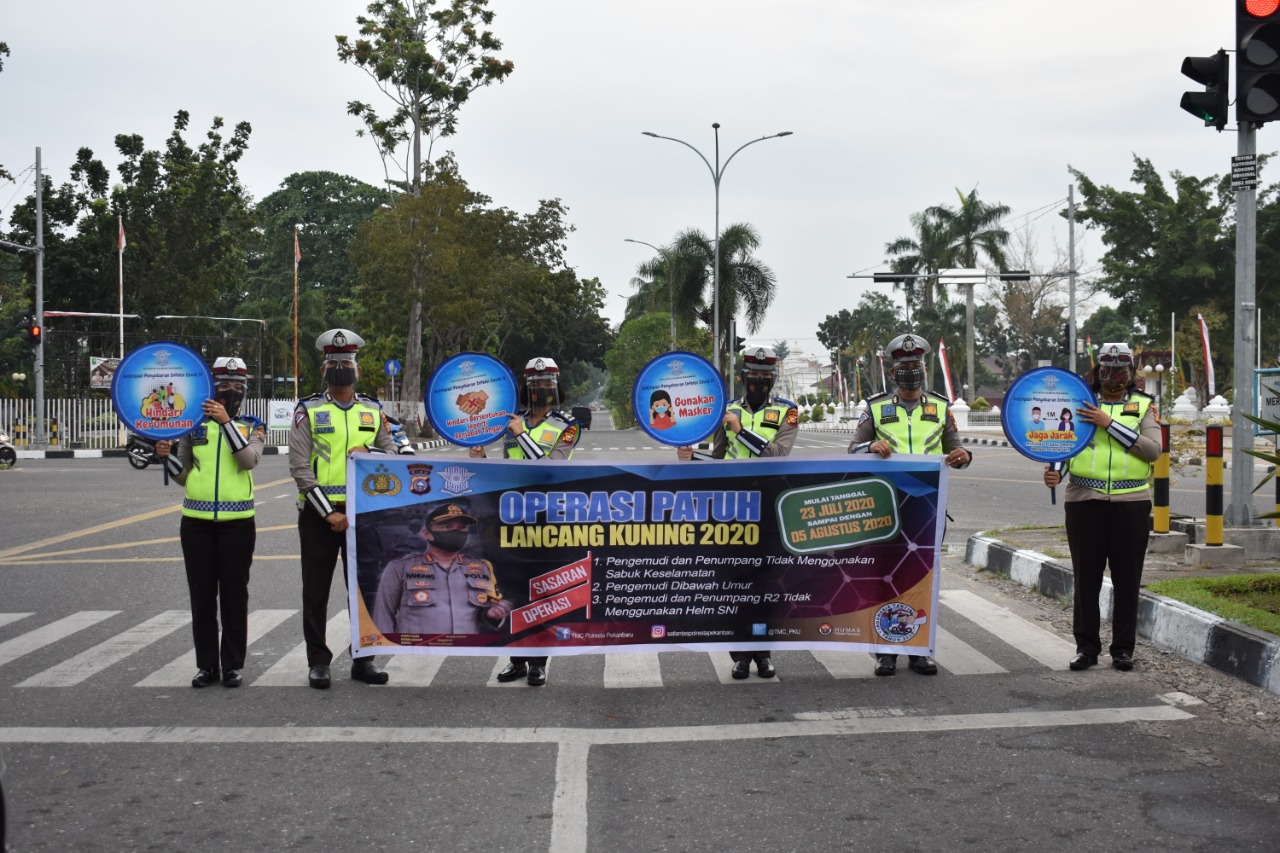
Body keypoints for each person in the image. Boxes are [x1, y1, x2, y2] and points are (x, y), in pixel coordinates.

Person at [848, 333, 972, 676]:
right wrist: (870, 447)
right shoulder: (874, 408)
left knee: (922, 578)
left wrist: (964, 455)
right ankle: (886, 651)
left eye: (915, 366)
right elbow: (852, 449)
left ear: (924, 369)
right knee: (886, 576)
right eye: (904, 367)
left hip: (928, 505)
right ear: (893, 372)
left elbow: (957, 450)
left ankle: (919, 650)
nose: (910, 372)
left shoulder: (940, 407)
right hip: (885, 506)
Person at [290, 328, 406, 689]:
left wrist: (369, 454)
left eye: (348, 362)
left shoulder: (373, 410)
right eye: (334, 361)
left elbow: (396, 454)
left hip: (364, 513)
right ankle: (318, 662)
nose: (341, 367)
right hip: (318, 514)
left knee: (363, 588)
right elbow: (299, 467)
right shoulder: (308, 409)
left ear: (357, 368)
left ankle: (364, 660)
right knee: (316, 590)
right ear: (325, 368)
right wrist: (328, 512)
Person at [677, 346, 798, 680]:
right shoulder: (725, 409)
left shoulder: (788, 412)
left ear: (772, 378)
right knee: (734, 583)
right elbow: (717, 461)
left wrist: (741, 431)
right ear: (743, 376)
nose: (759, 380)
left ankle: (764, 654)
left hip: (770, 508)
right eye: (753, 374)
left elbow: (778, 454)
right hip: (732, 511)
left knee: (765, 584)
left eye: (765, 375)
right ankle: (741, 656)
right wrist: (691, 458)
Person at [1043, 342, 1159, 672]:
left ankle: (1122, 649)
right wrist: (1055, 472)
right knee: (1086, 578)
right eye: (1107, 369)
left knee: (1127, 579)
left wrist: (1109, 423)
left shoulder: (1144, 406)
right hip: (1084, 501)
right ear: (1097, 371)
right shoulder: (1079, 404)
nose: (1113, 375)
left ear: (1131, 373)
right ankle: (1086, 648)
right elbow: (1064, 446)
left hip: (1131, 504)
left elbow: (1152, 451)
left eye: (1121, 369)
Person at [469, 356, 581, 686]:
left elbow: (552, 467)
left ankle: (538, 662)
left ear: (557, 386)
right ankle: (516, 660)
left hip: (546, 520)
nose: (542, 390)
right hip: (509, 519)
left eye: (548, 384)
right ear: (526, 388)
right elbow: (502, 470)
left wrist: (521, 436)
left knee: (542, 592)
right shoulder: (511, 422)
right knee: (510, 590)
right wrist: (481, 457)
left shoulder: (567, 426)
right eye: (536, 385)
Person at [156, 357, 265, 689]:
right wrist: (167, 456)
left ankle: (232, 665)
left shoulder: (252, 424)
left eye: (237, 386)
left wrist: (227, 422)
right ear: (211, 386)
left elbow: (249, 461)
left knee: (234, 594)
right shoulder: (193, 424)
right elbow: (185, 474)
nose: (229, 391)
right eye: (223, 385)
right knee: (202, 595)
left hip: (238, 523)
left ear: (245, 390)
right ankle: (206, 665)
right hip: (196, 522)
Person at [372, 504, 513, 635]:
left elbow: (486, 613)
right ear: (426, 533)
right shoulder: (400, 567)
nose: (456, 531)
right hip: (416, 655)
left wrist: (493, 615)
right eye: (446, 526)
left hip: (465, 654)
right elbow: (383, 616)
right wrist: (386, 649)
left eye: (462, 527)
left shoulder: (481, 568)